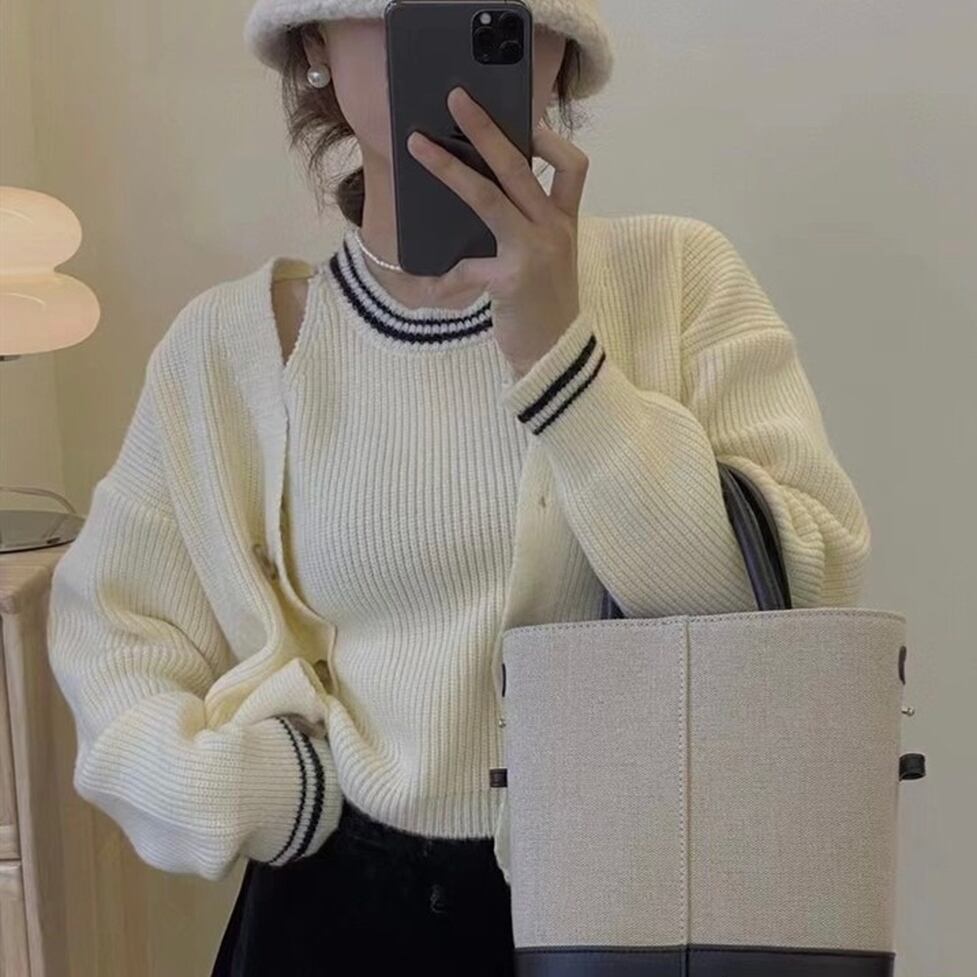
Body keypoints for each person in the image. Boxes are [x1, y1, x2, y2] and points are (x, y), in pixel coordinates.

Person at [45, 1, 873, 975]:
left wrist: (563, 363)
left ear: (557, 52)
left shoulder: (678, 281)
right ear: (312, 44)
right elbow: (112, 629)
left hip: (625, 914)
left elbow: (802, 595)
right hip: (327, 915)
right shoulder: (233, 349)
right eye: (389, 10)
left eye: (490, 17)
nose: (433, 30)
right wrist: (251, 788)